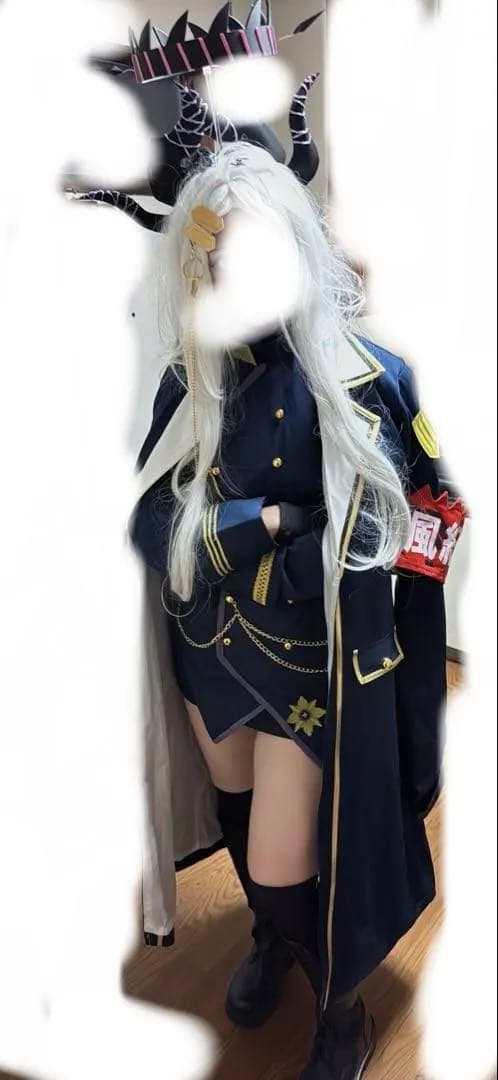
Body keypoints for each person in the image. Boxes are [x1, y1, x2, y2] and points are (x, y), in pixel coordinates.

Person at [129, 141, 467, 1079]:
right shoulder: (189, 381)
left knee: (291, 861)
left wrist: (363, 594)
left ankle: (341, 1000)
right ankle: (275, 939)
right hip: (206, 656)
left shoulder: (372, 377)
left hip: (314, 671)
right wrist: (274, 523)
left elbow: (431, 513)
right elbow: (149, 522)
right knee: (239, 819)